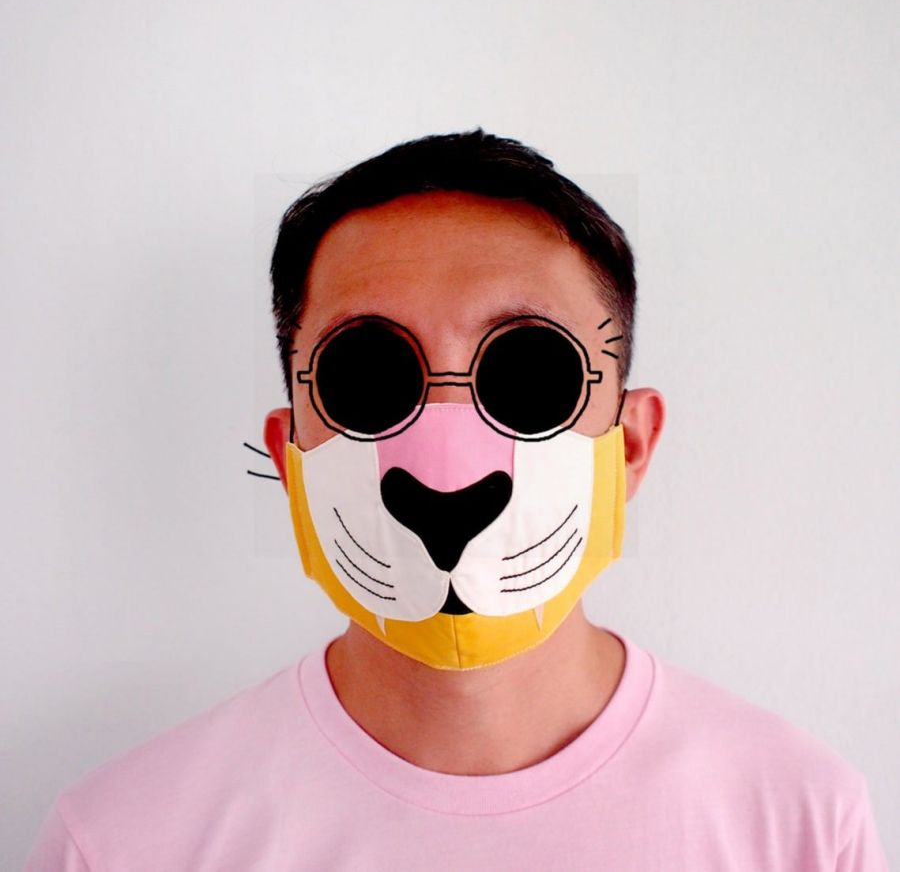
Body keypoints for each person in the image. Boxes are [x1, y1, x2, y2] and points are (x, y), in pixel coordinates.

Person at [24, 130, 888, 870]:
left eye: (531, 375)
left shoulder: (802, 825)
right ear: (290, 460)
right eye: (366, 378)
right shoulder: (123, 843)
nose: (443, 467)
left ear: (629, 445)